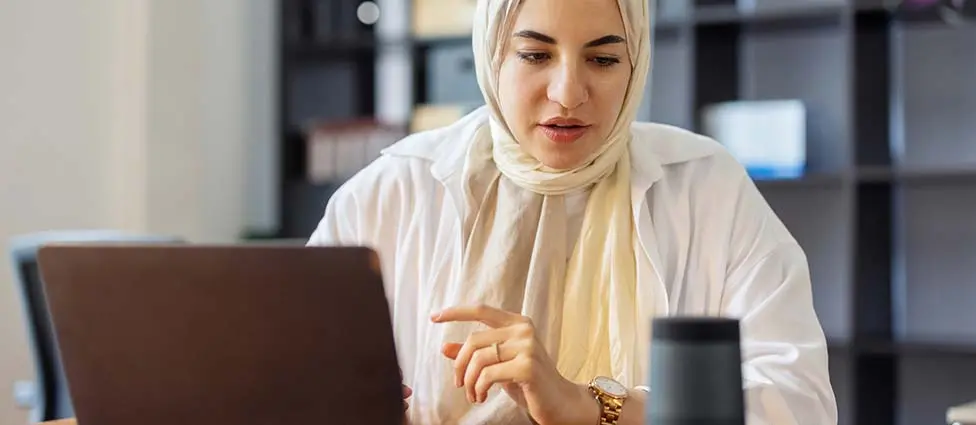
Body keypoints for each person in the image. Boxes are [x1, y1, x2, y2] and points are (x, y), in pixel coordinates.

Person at [307, 0, 838, 423]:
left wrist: (587, 406)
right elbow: (289, 380)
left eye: (603, 59)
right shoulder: (389, 192)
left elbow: (799, 403)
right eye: (536, 55)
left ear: (636, 64)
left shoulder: (706, 186)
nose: (567, 94)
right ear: (492, 54)